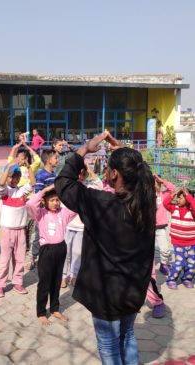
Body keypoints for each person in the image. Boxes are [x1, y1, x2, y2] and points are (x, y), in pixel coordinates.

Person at [55, 131, 156, 365]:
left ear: (113, 174)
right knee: (128, 335)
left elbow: (63, 182)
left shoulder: (101, 203)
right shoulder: (146, 203)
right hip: (133, 288)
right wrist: (124, 154)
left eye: (109, 168)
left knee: (109, 345)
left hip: (107, 292)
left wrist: (85, 149)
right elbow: (143, 176)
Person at [27, 185, 76, 326]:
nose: (56, 203)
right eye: (52, 200)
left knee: (56, 281)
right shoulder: (40, 214)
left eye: (57, 200)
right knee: (44, 283)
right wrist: (44, 190)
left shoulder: (63, 213)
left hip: (61, 249)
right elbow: (30, 203)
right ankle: (41, 312)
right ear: (45, 202)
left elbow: (75, 207)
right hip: (47, 251)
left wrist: (69, 190)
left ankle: (55, 309)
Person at [0, 161, 34, 297]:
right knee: (5, 260)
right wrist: (10, 165)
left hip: (20, 231)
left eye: (16, 177)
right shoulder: (4, 191)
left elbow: (33, 184)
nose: (13, 179)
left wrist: (28, 167)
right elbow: (1, 183)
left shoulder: (22, 191)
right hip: (7, 231)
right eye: (11, 177)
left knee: (19, 259)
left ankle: (18, 282)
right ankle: (0, 285)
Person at [62, 165, 103, 288]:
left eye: (83, 174)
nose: (80, 176)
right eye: (78, 173)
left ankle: (74, 275)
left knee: (77, 253)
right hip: (67, 225)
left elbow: (100, 186)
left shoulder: (88, 187)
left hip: (81, 227)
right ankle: (63, 276)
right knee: (65, 252)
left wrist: (89, 171)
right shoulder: (69, 186)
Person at [25, 149, 58, 271]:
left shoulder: (53, 174)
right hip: (43, 210)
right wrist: (44, 205)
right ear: (49, 161)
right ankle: (32, 257)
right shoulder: (41, 174)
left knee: (51, 232)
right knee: (38, 234)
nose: (57, 160)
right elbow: (38, 192)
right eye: (56, 158)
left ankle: (47, 256)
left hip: (53, 209)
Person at [163, 187, 195, 289]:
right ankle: (171, 279)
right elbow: (165, 203)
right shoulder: (174, 208)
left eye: (181, 198)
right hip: (178, 242)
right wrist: (174, 193)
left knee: (192, 263)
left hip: (191, 242)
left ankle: (187, 278)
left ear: (188, 199)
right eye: (177, 198)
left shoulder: (192, 211)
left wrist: (189, 196)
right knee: (179, 263)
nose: (178, 200)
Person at [154, 174, 176, 275]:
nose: (155, 184)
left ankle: (163, 265)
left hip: (160, 227)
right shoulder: (145, 194)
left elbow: (173, 189)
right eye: (153, 182)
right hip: (147, 227)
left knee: (165, 249)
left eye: (157, 182)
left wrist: (162, 181)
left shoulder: (163, 195)